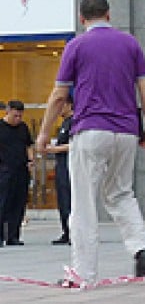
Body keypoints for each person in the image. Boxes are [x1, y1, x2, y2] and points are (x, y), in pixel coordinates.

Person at [34, 0, 145, 286]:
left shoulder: (76, 46)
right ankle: (140, 245)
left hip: (90, 129)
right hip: (126, 130)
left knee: (84, 202)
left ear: (81, 18)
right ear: (109, 14)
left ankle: (84, 273)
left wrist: (44, 133)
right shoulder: (130, 44)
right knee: (121, 192)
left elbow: (60, 95)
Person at [0, 100, 34, 247]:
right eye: (15, 116)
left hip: (21, 170)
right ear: (8, 111)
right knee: (3, 203)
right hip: (4, 170)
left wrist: (31, 159)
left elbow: (29, 144)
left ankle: (13, 236)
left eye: (20, 116)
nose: (18, 119)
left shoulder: (23, 128)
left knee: (18, 204)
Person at [45, 101, 74, 245]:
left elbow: (75, 144)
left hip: (70, 165)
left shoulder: (74, 122)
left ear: (69, 105)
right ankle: (66, 231)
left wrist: (55, 149)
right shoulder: (64, 123)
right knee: (63, 199)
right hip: (61, 165)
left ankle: (73, 232)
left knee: (69, 199)